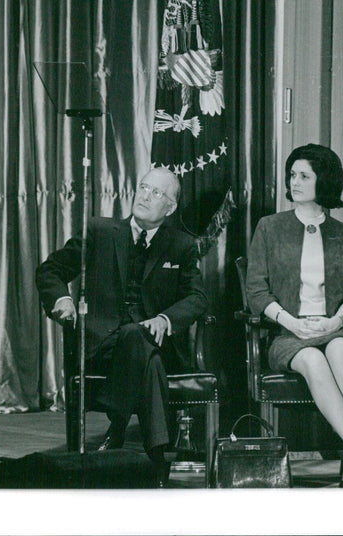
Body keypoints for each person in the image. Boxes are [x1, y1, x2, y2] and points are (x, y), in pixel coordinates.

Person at [36, 166, 208, 486]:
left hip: (152, 342)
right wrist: (62, 300)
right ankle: (157, 457)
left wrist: (164, 319)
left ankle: (118, 431)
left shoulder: (181, 245)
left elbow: (197, 298)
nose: (144, 195)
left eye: (156, 193)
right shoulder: (99, 231)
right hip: (101, 345)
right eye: (143, 187)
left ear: (170, 208)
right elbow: (51, 271)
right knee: (143, 350)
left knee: (141, 340)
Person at [246, 143, 343, 487]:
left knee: (341, 349)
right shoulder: (269, 227)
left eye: (304, 175)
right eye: (292, 175)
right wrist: (290, 322)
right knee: (313, 360)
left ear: (324, 182)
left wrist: (336, 321)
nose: (295, 182)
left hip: (337, 328)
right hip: (289, 335)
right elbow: (256, 291)